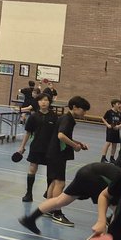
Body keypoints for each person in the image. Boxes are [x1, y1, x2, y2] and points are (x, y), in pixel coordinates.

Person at [19, 160, 121, 235]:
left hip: (87, 171)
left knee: (60, 201)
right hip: (94, 177)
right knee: (118, 208)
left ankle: (30, 219)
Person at [40, 96, 90, 226]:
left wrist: (78, 143)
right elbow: (61, 135)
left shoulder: (66, 118)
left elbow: (65, 136)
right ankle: (57, 212)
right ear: (74, 107)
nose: (84, 113)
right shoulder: (67, 119)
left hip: (53, 153)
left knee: (53, 182)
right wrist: (75, 146)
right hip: (57, 155)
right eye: (83, 110)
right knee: (60, 184)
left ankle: (48, 208)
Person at [17, 93, 59, 203]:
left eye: (46, 100)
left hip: (50, 149)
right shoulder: (33, 116)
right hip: (36, 147)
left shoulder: (54, 117)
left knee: (50, 172)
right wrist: (22, 147)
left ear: (49, 102)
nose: (43, 102)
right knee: (32, 169)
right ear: (38, 102)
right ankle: (28, 193)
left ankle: (48, 194)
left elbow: (58, 134)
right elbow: (28, 133)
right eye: (41, 100)